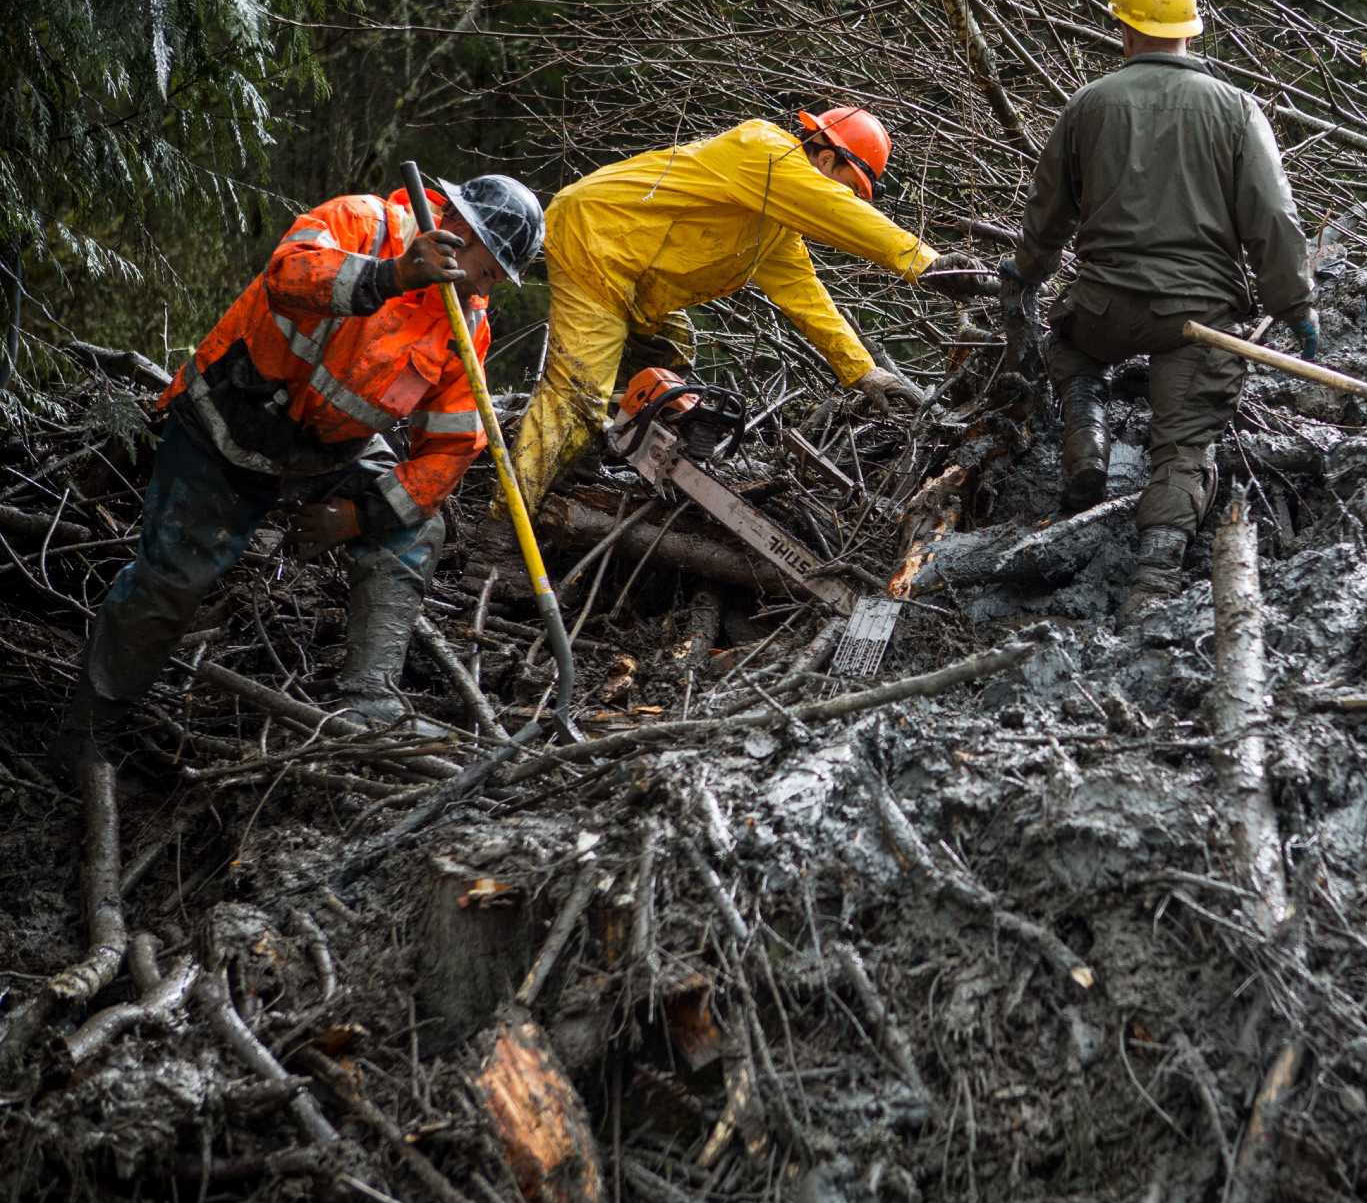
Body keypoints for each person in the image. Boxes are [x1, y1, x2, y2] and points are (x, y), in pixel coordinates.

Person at [53, 173, 545, 774]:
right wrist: (391, 277)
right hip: (221, 433)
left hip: (326, 455)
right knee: (170, 584)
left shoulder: (465, 322)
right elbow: (287, 276)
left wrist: (359, 516)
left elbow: (453, 443)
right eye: (489, 270)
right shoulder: (361, 223)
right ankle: (92, 733)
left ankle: (369, 704)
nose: (487, 288)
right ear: (459, 232)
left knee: (413, 530)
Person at [1007, 0, 1315, 623]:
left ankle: (1084, 441)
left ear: (1124, 29)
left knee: (1071, 349)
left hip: (1103, 308)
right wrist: (1297, 307)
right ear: (1190, 32)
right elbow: (1274, 219)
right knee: (1184, 444)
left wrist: (1024, 278)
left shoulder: (1088, 104)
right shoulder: (1236, 109)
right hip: (1196, 320)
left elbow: (1047, 213)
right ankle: (1153, 582)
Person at [507, 108, 984, 509]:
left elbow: (805, 295)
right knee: (575, 397)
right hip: (597, 241)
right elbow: (837, 211)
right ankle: (511, 520)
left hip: (634, 276)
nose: (848, 197)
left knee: (668, 352)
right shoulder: (763, 153)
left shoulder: (773, 225)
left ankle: (593, 458)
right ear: (824, 156)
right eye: (848, 185)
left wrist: (863, 373)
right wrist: (928, 264)